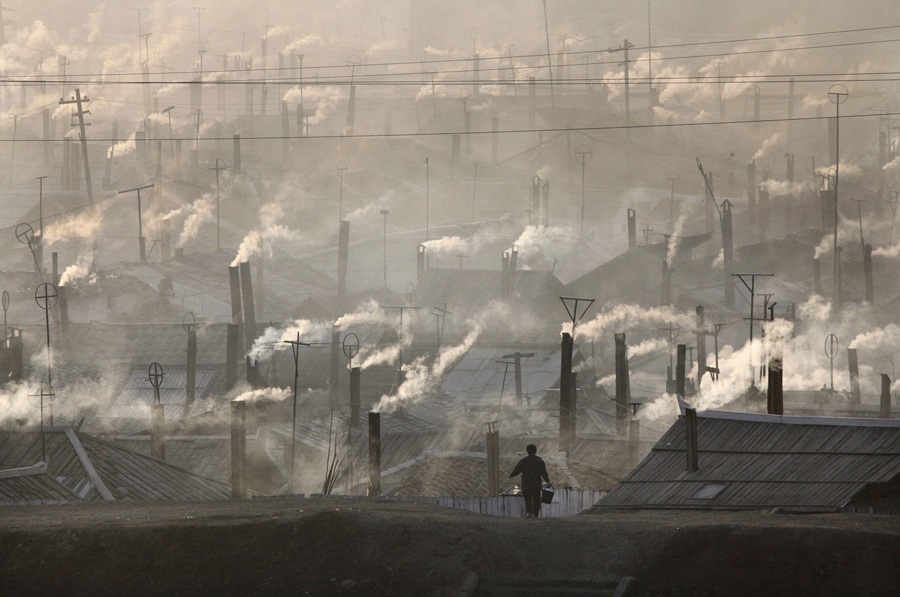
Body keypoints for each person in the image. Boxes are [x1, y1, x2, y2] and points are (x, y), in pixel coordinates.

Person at [509, 444, 550, 518]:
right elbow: (543, 472)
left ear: (527, 451)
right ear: (535, 451)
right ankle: (536, 514)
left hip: (526, 483)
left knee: (527, 498)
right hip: (536, 484)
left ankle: (529, 512)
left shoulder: (524, 460)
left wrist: (511, 475)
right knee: (536, 499)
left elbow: (517, 470)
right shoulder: (539, 460)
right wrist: (548, 481)